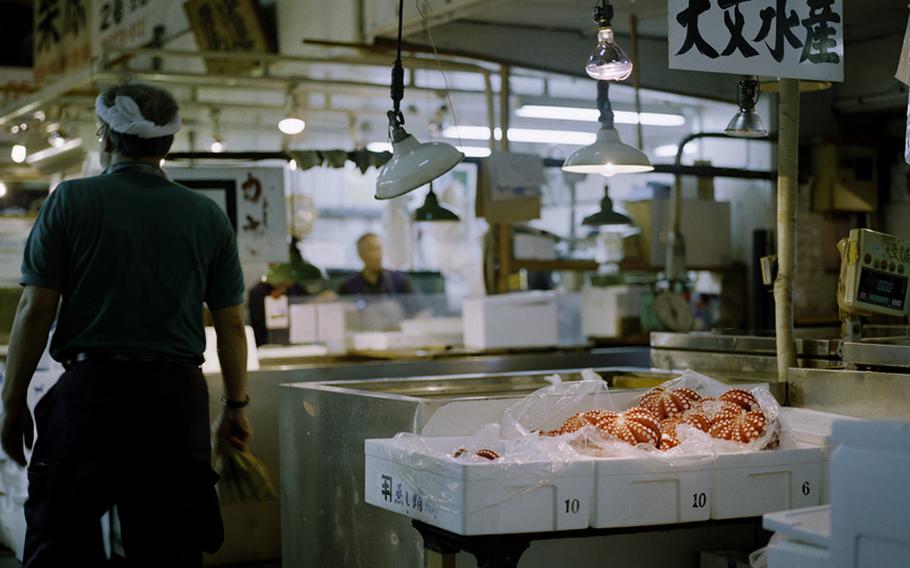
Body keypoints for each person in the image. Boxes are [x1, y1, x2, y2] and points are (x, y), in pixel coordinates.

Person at [0, 82, 251, 567]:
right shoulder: (206, 215)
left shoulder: (69, 202)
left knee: (60, 543)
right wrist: (235, 406)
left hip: (92, 395)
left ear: (107, 138)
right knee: (169, 550)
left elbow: (35, 311)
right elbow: (233, 326)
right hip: (176, 402)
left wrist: (12, 405)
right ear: (168, 144)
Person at [337, 233, 414, 296]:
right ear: (360, 254)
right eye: (373, 249)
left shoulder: (399, 281)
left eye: (379, 249)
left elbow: (418, 311)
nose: (379, 255)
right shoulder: (348, 287)